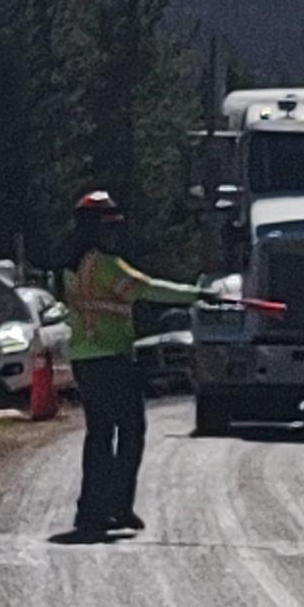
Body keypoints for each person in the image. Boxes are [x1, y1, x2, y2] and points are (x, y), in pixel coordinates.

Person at [55, 190, 202, 542]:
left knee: (100, 436)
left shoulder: (67, 267)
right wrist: (198, 294)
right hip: (112, 360)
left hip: (85, 361)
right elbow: (149, 289)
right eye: (111, 225)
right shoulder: (105, 265)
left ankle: (91, 509)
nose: (115, 233)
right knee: (131, 431)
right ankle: (117, 506)